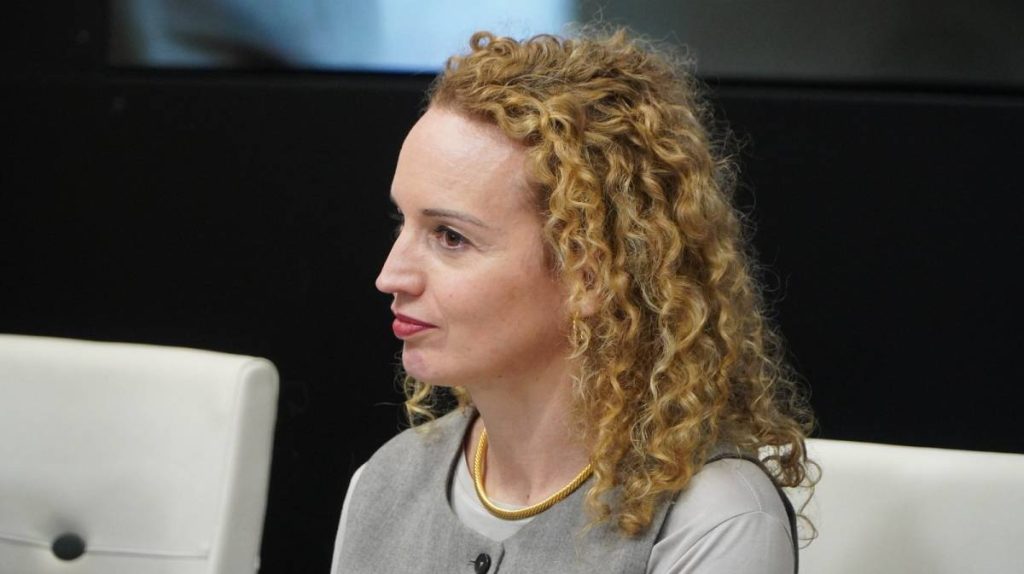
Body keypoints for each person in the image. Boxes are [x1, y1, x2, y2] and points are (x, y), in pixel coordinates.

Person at [331, 28, 815, 574]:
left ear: (590, 274)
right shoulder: (385, 483)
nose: (391, 276)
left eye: (450, 237)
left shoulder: (713, 520)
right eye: (402, 223)